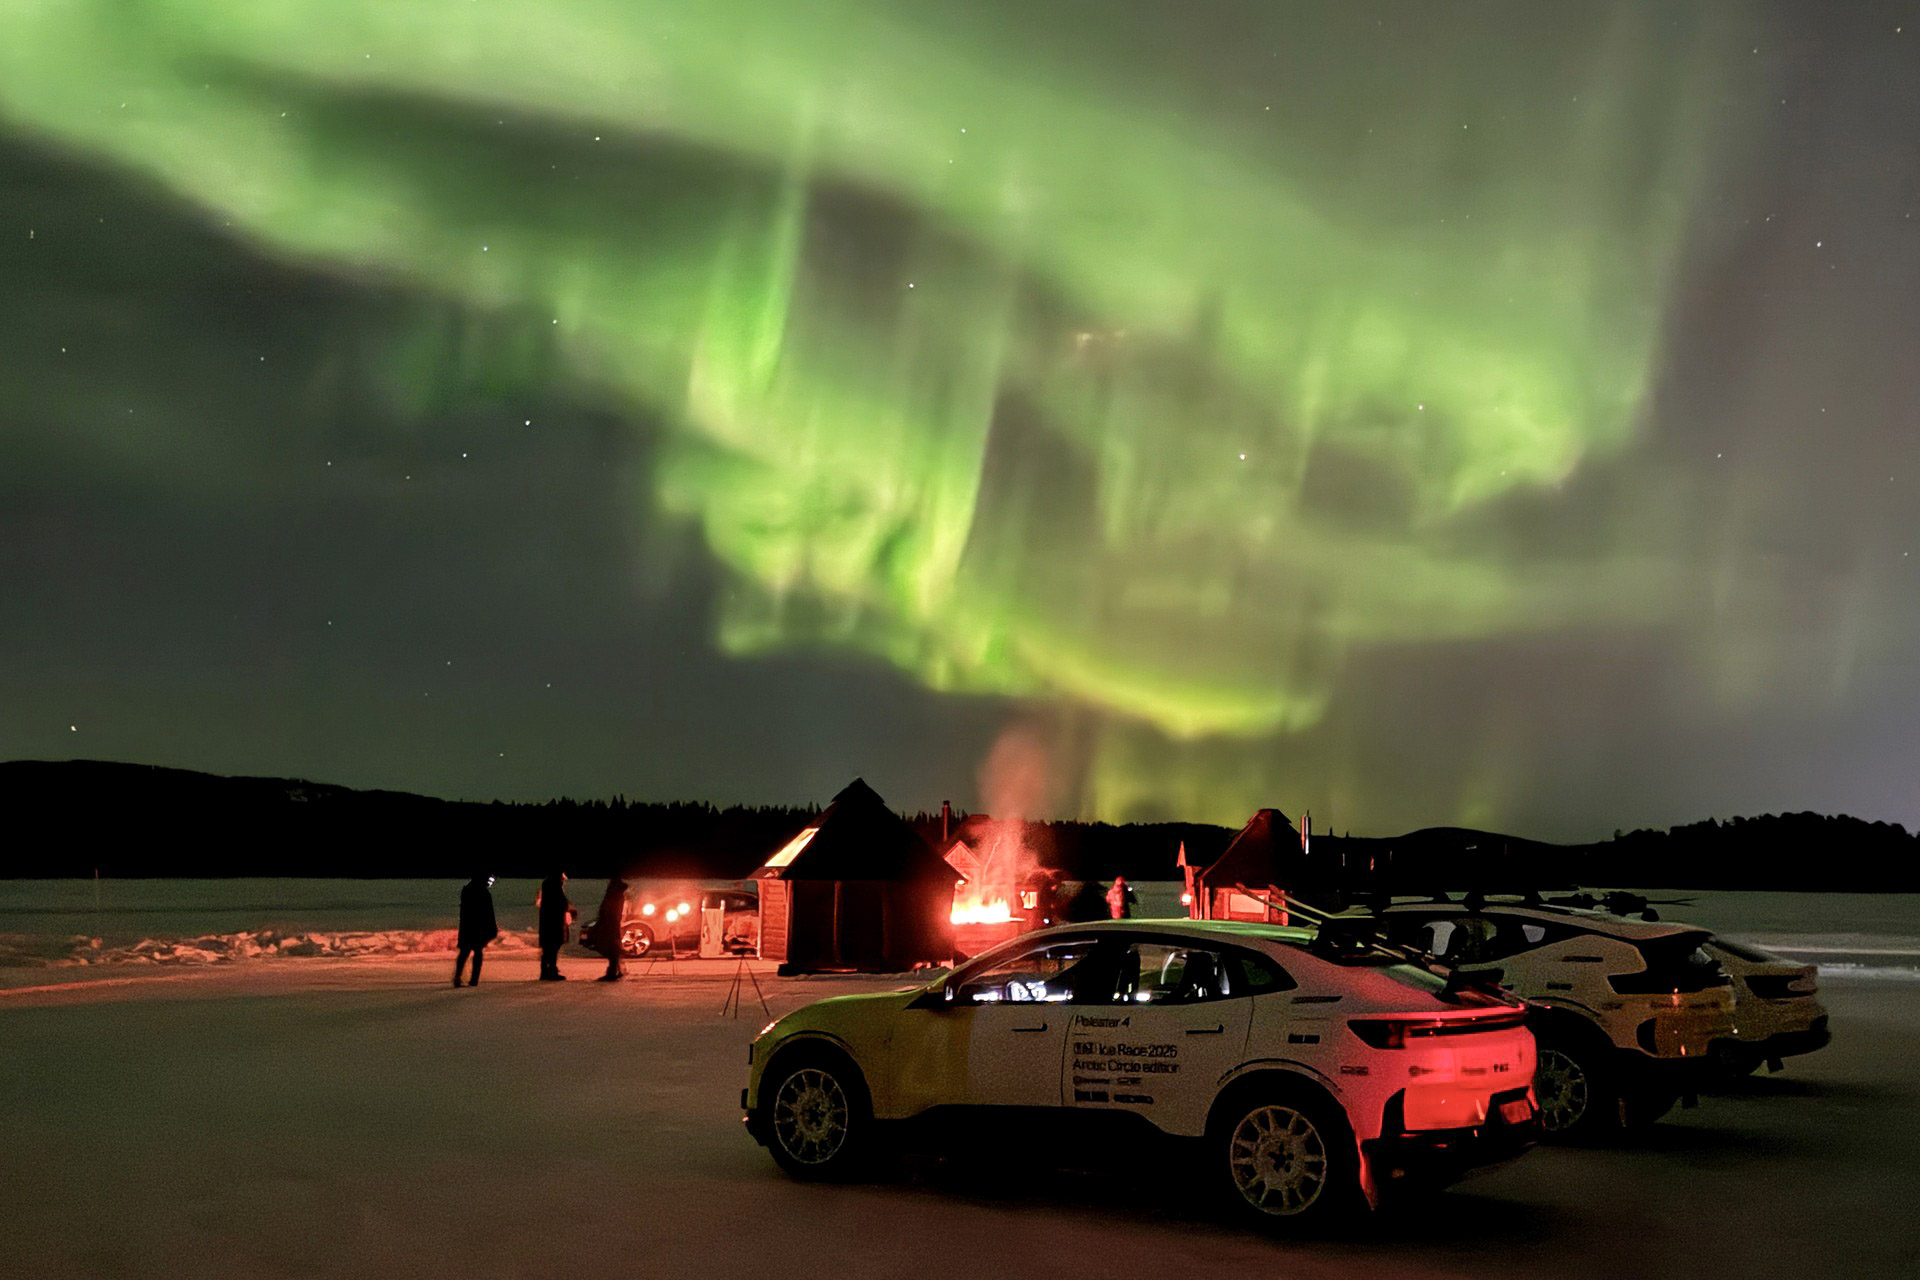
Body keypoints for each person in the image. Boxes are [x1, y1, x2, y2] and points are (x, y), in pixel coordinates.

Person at [454, 874, 498, 987]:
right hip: (478, 926)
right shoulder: (483, 893)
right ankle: (473, 979)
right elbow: (489, 912)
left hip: (468, 925)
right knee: (476, 951)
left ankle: (459, 976)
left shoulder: (467, 890)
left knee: (465, 951)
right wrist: (492, 927)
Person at [536, 871, 573, 981]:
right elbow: (559, 903)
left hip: (551, 922)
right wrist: (567, 908)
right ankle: (549, 970)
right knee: (552, 946)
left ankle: (548, 970)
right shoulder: (553, 886)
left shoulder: (549, 885)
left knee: (550, 947)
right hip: (553, 922)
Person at [595, 875, 630, 982]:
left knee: (611, 948)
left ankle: (613, 971)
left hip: (610, 924)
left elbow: (608, 910)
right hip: (612, 924)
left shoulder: (613, 895)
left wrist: (602, 919)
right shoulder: (618, 895)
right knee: (612, 948)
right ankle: (616, 970)